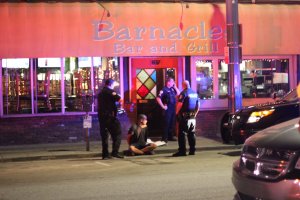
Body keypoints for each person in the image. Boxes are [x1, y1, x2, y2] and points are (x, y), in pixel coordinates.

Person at [97, 78, 124, 160]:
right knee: (118, 133)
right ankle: (115, 152)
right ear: (111, 84)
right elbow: (120, 100)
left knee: (104, 136)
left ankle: (105, 155)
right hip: (110, 117)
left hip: (101, 117)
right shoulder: (111, 92)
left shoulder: (101, 93)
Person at [172, 80, 200, 157]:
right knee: (192, 133)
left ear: (183, 85)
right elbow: (198, 106)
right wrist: (195, 114)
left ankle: (182, 151)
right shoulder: (195, 93)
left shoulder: (184, 93)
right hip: (192, 117)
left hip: (185, 117)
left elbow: (180, 104)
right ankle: (192, 150)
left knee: (182, 134)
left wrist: (176, 113)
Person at [156, 77, 180, 143]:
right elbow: (158, 98)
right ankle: (164, 138)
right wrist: (163, 106)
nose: (173, 83)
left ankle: (170, 136)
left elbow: (179, 94)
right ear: (168, 82)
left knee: (172, 123)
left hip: (173, 108)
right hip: (167, 108)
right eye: (172, 82)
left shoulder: (172, 89)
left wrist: (175, 87)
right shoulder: (164, 90)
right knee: (166, 123)